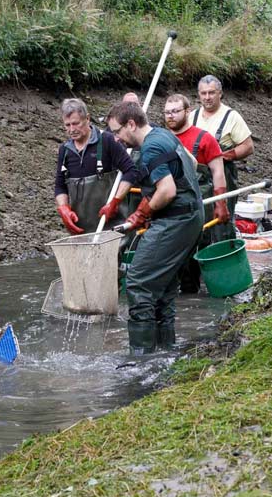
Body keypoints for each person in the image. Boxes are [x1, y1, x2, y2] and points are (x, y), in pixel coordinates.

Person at [108, 101, 204, 355]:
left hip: (176, 220)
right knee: (162, 287)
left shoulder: (150, 148)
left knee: (138, 282)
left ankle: (140, 357)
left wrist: (142, 212)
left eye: (117, 132)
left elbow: (168, 190)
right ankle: (165, 351)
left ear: (131, 124)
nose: (117, 139)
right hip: (191, 217)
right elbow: (191, 163)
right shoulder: (163, 134)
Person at [163, 93, 230, 293]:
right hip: (168, 205)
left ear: (187, 112)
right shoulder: (160, 138)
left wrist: (221, 204)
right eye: (167, 112)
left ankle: (191, 295)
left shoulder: (204, 139)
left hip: (198, 204)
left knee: (195, 250)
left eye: (175, 111)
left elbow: (218, 172)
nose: (170, 116)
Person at [55, 98, 138, 234]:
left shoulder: (107, 140)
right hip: (80, 229)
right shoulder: (64, 150)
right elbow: (60, 186)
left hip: (110, 225)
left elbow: (131, 171)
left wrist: (115, 202)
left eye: (76, 124)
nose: (72, 129)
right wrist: (63, 208)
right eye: (67, 125)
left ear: (87, 118)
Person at [191, 75, 253, 209]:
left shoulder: (231, 116)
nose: (207, 97)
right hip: (195, 178)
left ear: (220, 93)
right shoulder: (192, 116)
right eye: (203, 93)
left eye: (212, 92)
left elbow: (248, 147)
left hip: (222, 177)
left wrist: (223, 157)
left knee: (221, 219)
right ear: (199, 95)